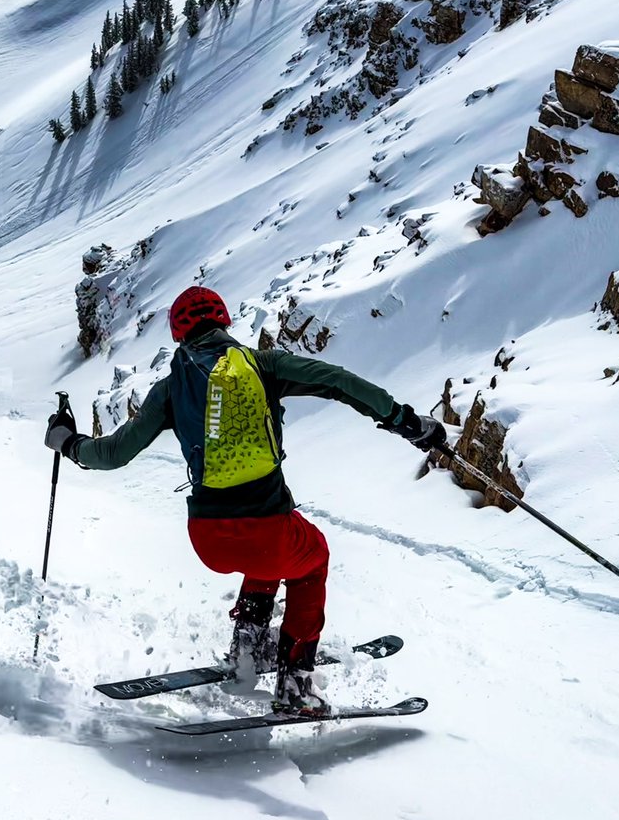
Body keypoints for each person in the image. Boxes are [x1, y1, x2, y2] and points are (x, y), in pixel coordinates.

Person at [45, 287, 446, 714]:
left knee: (270, 556)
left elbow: (111, 454)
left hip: (207, 540)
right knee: (312, 558)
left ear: (179, 333)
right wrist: (404, 420)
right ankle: (296, 687)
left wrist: (67, 442)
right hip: (269, 530)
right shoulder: (263, 365)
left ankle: (248, 648)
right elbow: (338, 381)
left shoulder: (170, 388)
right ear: (224, 321)